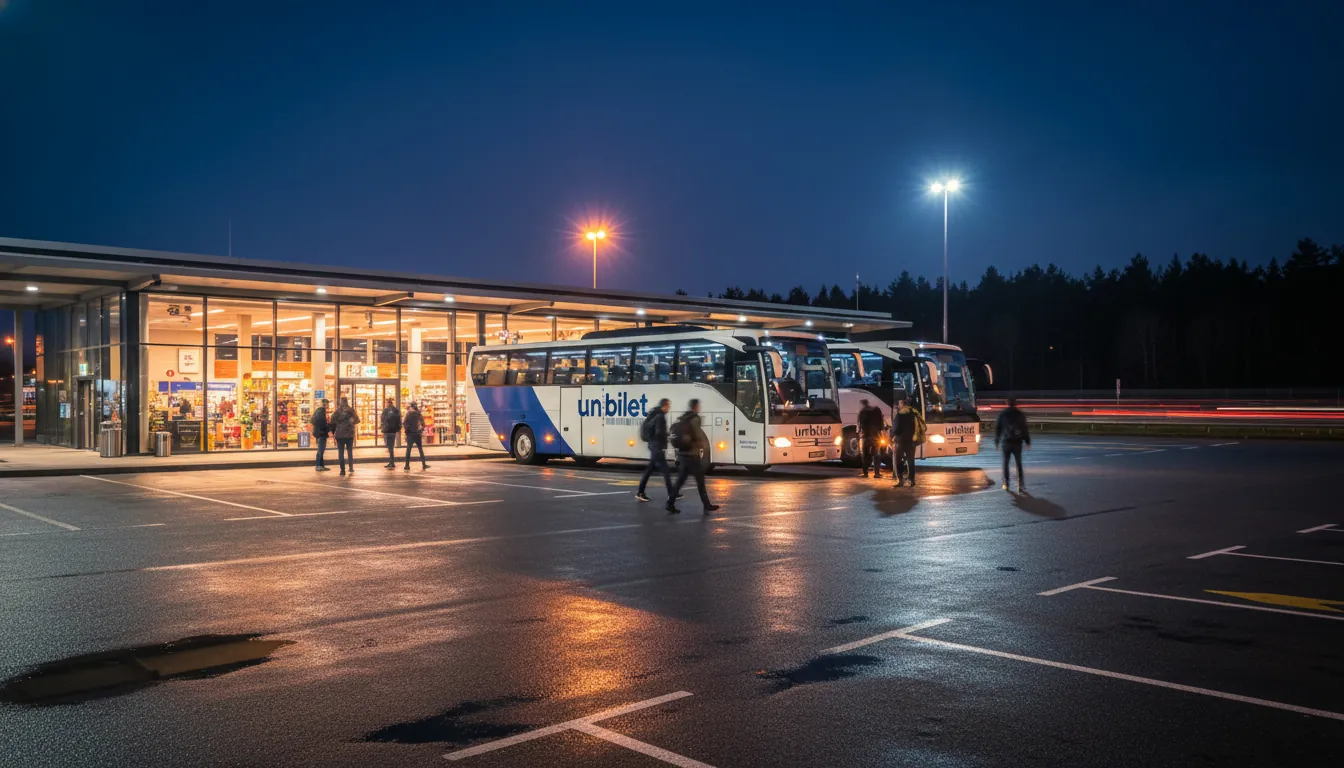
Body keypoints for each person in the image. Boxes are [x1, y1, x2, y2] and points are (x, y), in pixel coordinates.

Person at [669, 399, 719, 515]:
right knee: (700, 481)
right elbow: (698, 435)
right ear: (696, 407)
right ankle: (707, 505)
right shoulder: (695, 418)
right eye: (698, 406)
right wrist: (703, 446)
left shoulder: (684, 418)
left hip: (682, 454)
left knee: (680, 481)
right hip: (692, 455)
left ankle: (670, 503)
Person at [636, 398, 674, 503]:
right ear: (664, 406)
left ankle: (640, 492)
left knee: (650, 470)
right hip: (657, 446)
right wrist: (667, 435)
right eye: (668, 406)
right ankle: (672, 494)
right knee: (665, 471)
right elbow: (658, 432)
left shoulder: (656, 414)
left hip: (654, 445)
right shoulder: (660, 416)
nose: (669, 408)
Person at [995, 397, 1031, 492]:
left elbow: (998, 428)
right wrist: (1027, 441)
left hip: (1006, 442)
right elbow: (1024, 428)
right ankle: (1021, 484)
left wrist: (997, 441)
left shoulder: (1003, 414)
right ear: (1015, 404)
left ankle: (1006, 483)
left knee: (1006, 463)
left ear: (1007, 403)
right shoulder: (1019, 414)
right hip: (1017, 442)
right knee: (1018, 463)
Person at [890, 396, 926, 487]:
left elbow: (896, 429)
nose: (898, 405)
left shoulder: (900, 414)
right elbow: (922, 425)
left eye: (900, 403)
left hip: (900, 441)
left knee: (898, 460)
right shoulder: (914, 413)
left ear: (903, 404)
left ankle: (900, 480)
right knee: (911, 460)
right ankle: (911, 480)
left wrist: (892, 434)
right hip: (912, 440)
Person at [329, 397, 359, 475]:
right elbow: (357, 420)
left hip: (340, 434)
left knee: (341, 453)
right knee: (349, 451)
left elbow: (331, 420)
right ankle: (351, 467)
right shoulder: (351, 410)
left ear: (341, 402)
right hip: (349, 434)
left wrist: (338, 423)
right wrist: (351, 422)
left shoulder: (338, 411)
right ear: (347, 402)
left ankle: (342, 470)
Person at [857, 398, 885, 479]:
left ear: (862, 404)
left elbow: (860, 425)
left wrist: (859, 433)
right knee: (876, 455)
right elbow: (881, 423)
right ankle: (877, 473)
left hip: (866, 437)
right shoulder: (876, 410)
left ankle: (865, 473)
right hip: (876, 436)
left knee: (865, 455)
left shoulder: (862, 412)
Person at [403, 401, 428, 471]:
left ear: (411, 407)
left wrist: (407, 431)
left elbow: (404, 423)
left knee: (408, 450)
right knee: (420, 449)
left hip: (410, 434)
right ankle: (424, 464)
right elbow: (423, 423)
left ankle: (407, 465)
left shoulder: (408, 414)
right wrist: (421, 430)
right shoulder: (418, 414)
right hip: (417, 434)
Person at [380, 397, 401, 469]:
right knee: (391, 446)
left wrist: (382, 428)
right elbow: (399, 420)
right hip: (393, 431)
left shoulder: (385, 410)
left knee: (389, 447)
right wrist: (398, 429)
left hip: (387, 431)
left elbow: (382, 420)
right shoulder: (396, 410)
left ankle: (391, 462)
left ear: (387, 403)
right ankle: (391, 462)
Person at [310, 398, 331, 471]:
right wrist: (327, 428)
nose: (328, 406)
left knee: (321, 449)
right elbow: (322, 423)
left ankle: (321, 465)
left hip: (319, 433)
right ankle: (319, 465)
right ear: (325, 404)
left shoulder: (318, 411)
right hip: (321, 433)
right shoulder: (321, 411)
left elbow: (313, 421)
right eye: (327, 404)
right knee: (320, 449)